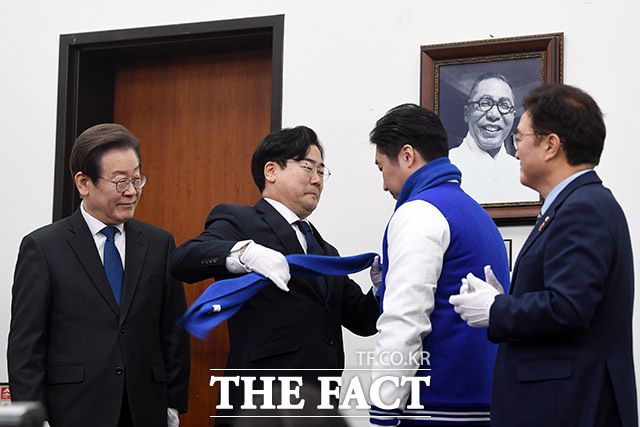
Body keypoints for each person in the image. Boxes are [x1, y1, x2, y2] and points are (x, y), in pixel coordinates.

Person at [449, 84, 638, 427]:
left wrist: (497, 309)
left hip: (569, 407)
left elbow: (568, 307)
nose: (515, 151)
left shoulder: (582, 209)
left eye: (519, 138)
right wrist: (507, 300)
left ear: (550, 145)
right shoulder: (574, 205)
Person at [169, 125, 379, 423]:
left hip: (319, 406)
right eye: (308, 167)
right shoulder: (239, 221)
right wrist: (244, 253)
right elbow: (184, 259)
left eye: (322, 171)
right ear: (271, 171)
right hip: (260, 404)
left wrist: (381, 288)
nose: (317, 179)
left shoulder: (324, 249)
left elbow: (363, 320)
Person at [7, 124, 190, 427]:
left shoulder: (159, 244)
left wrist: (173, 403)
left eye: (137, 179)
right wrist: (34, 418)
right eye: (120, 181)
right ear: (83, 183)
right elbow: (26, 346)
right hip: (73, 410)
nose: (131, 191)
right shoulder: (43, 247)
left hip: (145, 410)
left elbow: (174, 331)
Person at [368, 103, 510, 426]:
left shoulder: (419, 212)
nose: (384, 184)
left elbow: (405, 322)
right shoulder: (477, 214)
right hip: (486, 406)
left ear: (407, 155)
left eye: (381, 168)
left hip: (437, 409)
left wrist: (383, 412)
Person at [449, 73, 538, 204]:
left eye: (504, 105)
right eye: (485, 103)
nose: (494, 114)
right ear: (467, 113)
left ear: (513, 116)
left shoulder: (527, 174)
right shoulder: (446, 167)